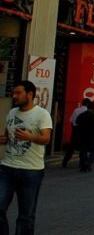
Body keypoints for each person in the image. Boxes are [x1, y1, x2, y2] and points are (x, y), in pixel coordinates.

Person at [0, 81, 52, 235]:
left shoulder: (42, 114)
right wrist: (4, 139)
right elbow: (7, 136)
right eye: (14, 93)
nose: (14, 96)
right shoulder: (12, 113)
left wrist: (29, 136)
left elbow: (46, 139)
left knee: (26, 215)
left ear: (30, 94)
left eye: (18, 93)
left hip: (31, 171)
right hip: (7, 168)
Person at [62, 98, 90, 168]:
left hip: (75, 130)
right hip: (83, 130)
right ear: (87, 104)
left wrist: (74, 129)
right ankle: (81, 163)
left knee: (71, 147)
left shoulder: (76, 110)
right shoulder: (87, 111)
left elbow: (71, 120)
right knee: (83, 148)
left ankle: (65, 161)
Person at [76, 101, 94, 172]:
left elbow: (77, 123)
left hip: (82, 135)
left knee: (83, 151)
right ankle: (88, 163)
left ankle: (84, 165)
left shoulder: (81, 115)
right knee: (93, 150)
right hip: (91, 135)